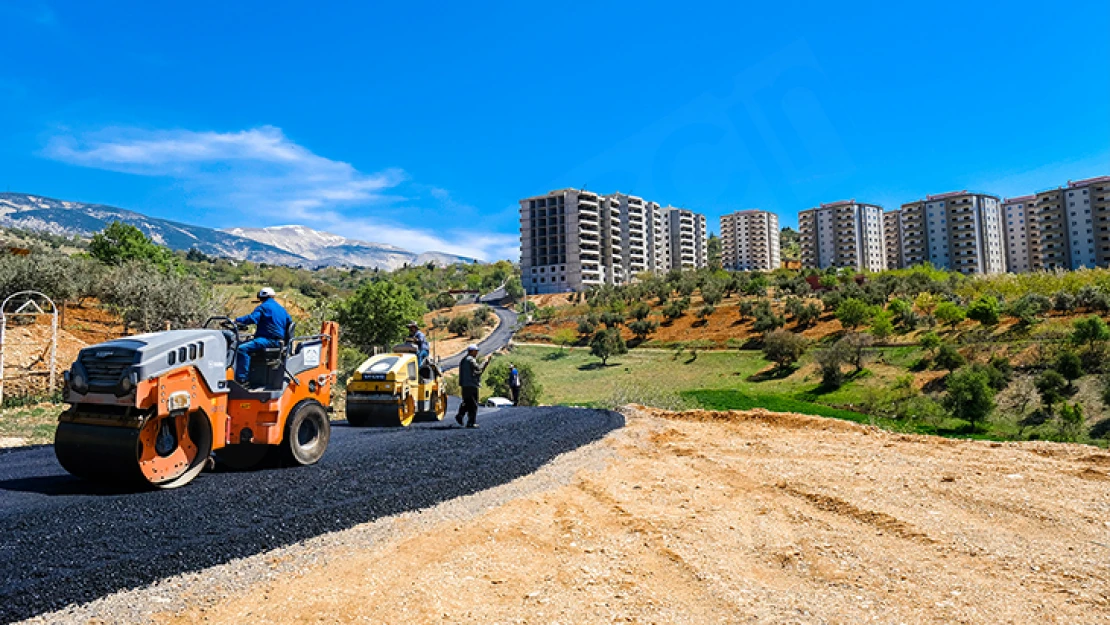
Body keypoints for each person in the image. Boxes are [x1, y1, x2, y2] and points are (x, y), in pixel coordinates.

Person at [233, 287, 291, 386]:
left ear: (261, 296)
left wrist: (236, 320)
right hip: (279, 341)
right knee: (248, 344)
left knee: (241, 349)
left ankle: (242, 380)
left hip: (268, 340)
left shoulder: (263, 307)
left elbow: (252, 318)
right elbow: (289, 322)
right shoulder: (282, 309)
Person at [455, 344, 491, 428]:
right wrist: (485, 363)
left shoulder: (463, 360)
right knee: (473, 404)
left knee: (466, 401)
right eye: (476, 351)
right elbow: (478, 369)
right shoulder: (471, 360)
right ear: (472, 351)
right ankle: (471, 422)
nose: (477, 353)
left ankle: (460, 415)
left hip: (464, 385)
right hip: (472, 385)